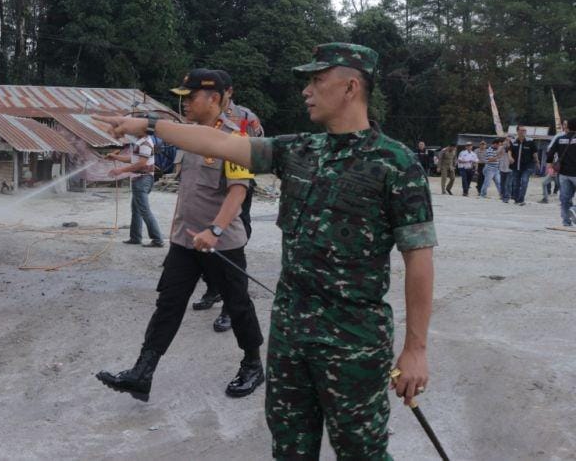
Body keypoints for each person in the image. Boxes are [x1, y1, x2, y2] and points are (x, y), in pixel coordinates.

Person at [95, 43, 435, 459]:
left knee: (361, 451)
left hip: (355, 341)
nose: (306, 91)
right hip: (291, 334)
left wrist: (415, 349)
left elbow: (419, 259)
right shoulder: (298, 151)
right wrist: (146, 124)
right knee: (289, 448)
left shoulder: (396, 164)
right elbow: (216, 142)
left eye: (316, 80)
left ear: (350, 87)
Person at [95, 68, 265, 402]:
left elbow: (238, 193)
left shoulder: (237, 139)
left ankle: (253, 364)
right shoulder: (188, 136)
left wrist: (215, 230)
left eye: (190, 97)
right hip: (185, 242)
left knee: (238, 305)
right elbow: (164, 154)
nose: (184, 103)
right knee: (168, 304)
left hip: (221, 244)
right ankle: (142, 373)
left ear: (213, 98)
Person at [192, 69, 264, 333]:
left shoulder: (245, 117)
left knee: (231, 243)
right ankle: (213, 290)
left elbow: (258, 150)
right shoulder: (198, 119)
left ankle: (230, 308)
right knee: (202, 243)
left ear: (228, 93)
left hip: (236, 185)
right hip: (206, 188)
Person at [106, 134, 164, 247]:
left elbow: (141, 163)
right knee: (136, 210)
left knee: (144, 210)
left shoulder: (145, 143)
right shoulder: (140, 142)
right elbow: (133, 159)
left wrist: (121, 170)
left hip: (142, 179)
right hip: (140, 179)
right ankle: (135, 237)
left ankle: (157, 239)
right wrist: (116, 157)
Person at [546, 118, 576, 226]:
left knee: (565, 198)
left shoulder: (560, 139)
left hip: (563, 173)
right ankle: (574, 210)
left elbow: (550, 153)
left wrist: (550, 166)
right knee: (566, 199)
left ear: (568, 127)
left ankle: (566, 221)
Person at [508, 126, 540, 205]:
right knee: (516, 183)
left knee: (524, 181)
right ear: (517, 131)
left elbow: (534, 153)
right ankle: (516, 199)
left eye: (524, 130)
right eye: (521, 130)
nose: (523, 132)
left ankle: (521, 199)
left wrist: (537, 163)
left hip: (527, 166)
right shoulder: (513, 141)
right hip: (516, 166)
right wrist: (510, 157)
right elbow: (509, 150)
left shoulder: (530, 141)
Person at [498, 137, 515, 203]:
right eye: (506, 140)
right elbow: (497, 153)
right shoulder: (501, 147)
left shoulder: (513, 149)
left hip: (510, 169)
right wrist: (503, 146)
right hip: (502, 168)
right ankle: (503, 195)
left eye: (509, 140)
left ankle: (507, 197)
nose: (507, 141)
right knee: (502, 183)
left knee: (508, 184)